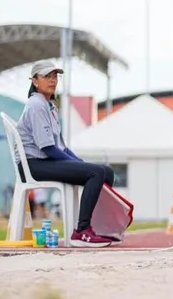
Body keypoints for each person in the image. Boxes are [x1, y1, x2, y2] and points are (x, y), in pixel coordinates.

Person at [15, 60, 116, 248]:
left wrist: (79, 162)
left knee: (105, 171)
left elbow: (61, 147)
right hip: (33, 164)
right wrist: (79, 165)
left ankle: (99, 226)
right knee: (95, 173)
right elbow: (48, 148)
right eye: (47, 76)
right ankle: (81, 231)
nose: (52, 80)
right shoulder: (36, 104)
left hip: (45, 161)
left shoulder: (49, 106)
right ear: (35, 81)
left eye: (55, 76)